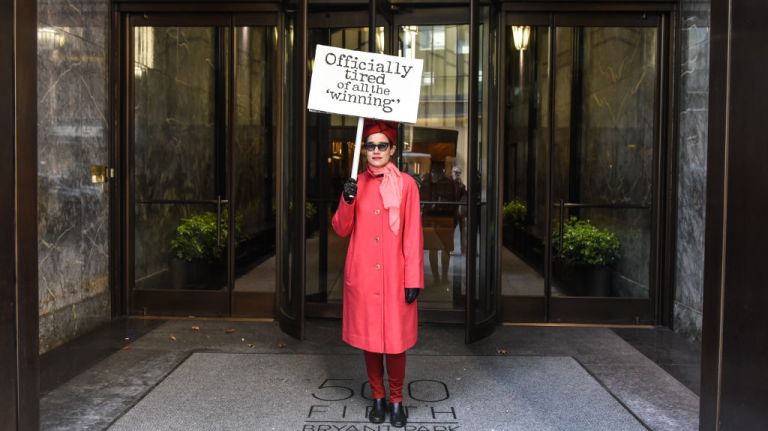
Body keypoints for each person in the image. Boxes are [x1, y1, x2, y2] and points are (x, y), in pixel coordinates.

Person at [331, 119, 424, 428]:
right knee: (371, 342)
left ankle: (396, 400)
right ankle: (378, 397)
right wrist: (346, 200)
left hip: (396, 277)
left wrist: (413, 278)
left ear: (392, 149)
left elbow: (413, 234)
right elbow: (341, 228)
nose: (376, 151)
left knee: (396, 343)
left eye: (382, 145)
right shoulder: (355, 183)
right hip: (363, 277)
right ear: (364, 150)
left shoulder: (407, 185)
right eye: (370, 145)